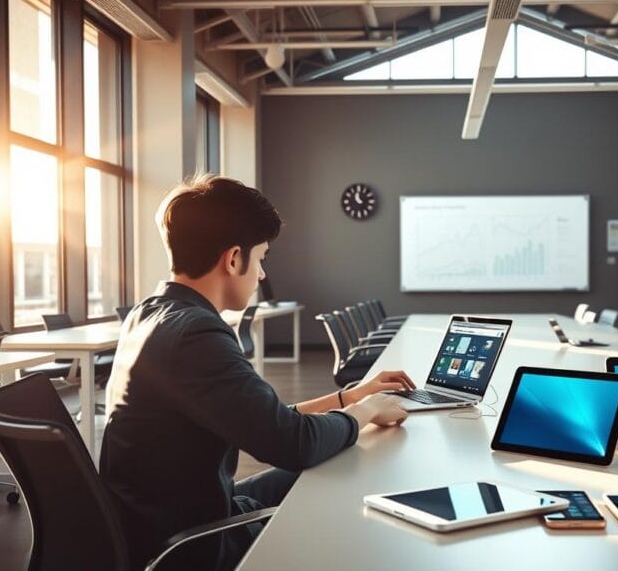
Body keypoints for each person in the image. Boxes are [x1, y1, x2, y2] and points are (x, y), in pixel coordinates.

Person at [99, 174, 412, 570]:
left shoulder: (151, 313)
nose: (261, 274)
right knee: (348, 475)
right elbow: (291, 443)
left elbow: (268, 422)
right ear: (233, 259)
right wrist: (364, 413)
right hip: (194, 544)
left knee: (338, 461)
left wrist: (350, 398)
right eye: (261, 258)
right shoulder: (196, 334)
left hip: (169, 515)